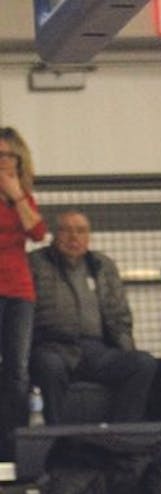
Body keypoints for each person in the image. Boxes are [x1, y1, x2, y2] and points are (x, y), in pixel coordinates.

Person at [29, 209, 156, 425]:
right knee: (49, 366)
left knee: (143, 364)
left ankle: (120, 434)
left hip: (97, 350)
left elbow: (119, 315)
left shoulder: (102, 265)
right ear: (54, 234)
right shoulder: (36, 263)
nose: (74, 237)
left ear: (89, 237)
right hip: (52, 347)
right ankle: (57, 436)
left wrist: (127, 349)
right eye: (67, 230)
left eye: (81, 231)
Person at [0, 126, 46, 459]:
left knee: (17, 369)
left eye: (7, 155)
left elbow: (38, 232)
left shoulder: (23, 198)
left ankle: (13, 445)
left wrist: (15, 195)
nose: (2, 161)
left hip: (18, 290)